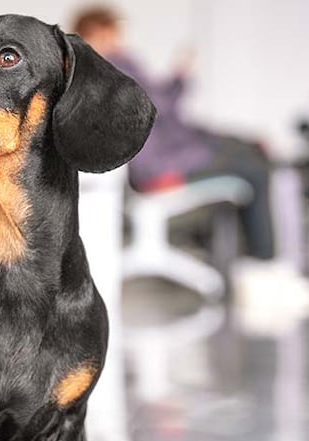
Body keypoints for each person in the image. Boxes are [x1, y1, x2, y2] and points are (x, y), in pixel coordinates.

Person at [74, 6, 275, 262]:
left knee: (249, 154)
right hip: (159, 167)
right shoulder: (114, 64)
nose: (120, 37)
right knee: (255, 168)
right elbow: (158, 106)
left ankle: (254, 259)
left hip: (163, 156)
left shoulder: (93, 70)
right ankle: (263, 262)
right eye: (115, 30)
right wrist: (180, 76)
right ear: (97, 31)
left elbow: (160, 107)